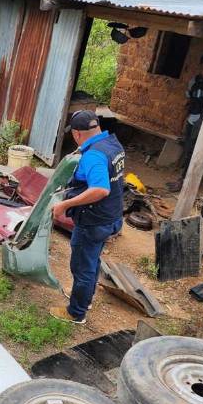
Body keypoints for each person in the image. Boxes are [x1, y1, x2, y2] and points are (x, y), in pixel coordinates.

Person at [51, 110, 125, 324]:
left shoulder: (93, 155)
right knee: (92, 260)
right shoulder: (112, 144)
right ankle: (86, 299)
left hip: (93, 220)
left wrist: (66, 204)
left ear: (76, 133)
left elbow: (101, 189)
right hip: (111, 216)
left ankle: (76, 312)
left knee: (82, 266)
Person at [167, 52, 203, 192]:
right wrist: (181, 121)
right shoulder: (194, 81)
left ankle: (186, 182)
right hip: (192, 119)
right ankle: (183, 179)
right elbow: (188, 102)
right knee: (188, 149)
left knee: (196, 152)